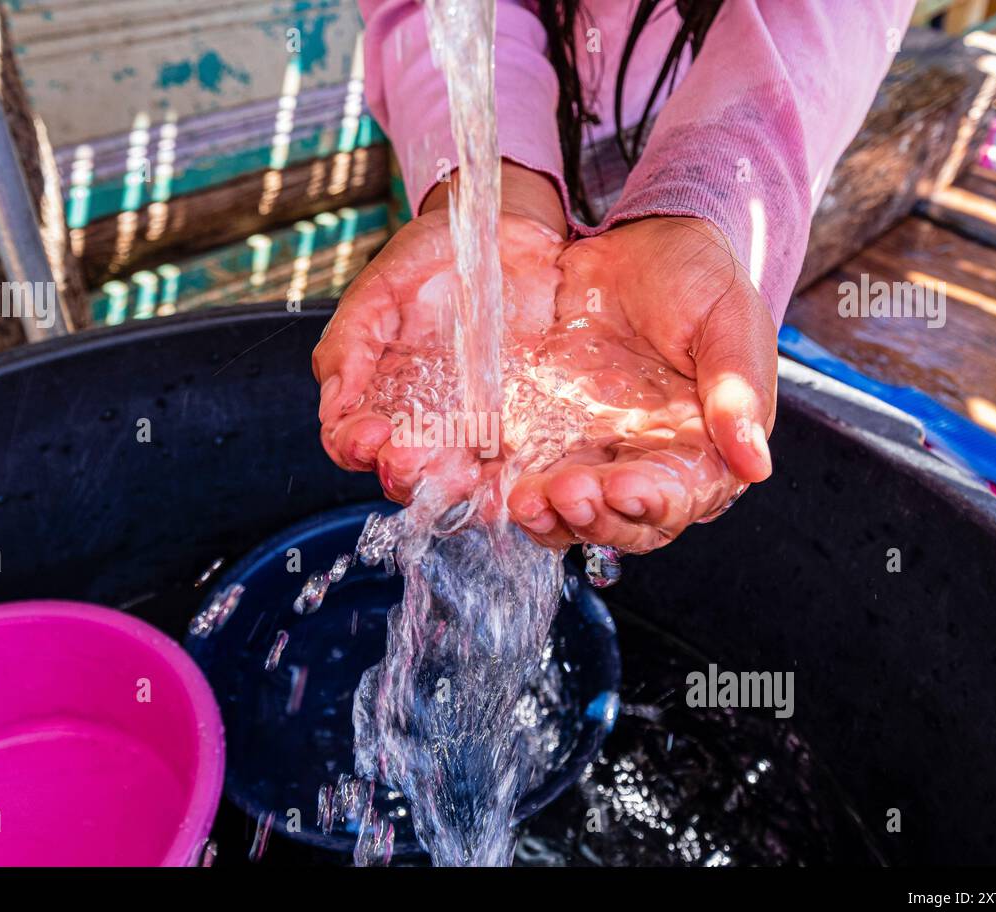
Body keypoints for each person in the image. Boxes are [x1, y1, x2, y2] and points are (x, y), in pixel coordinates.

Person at [313, 0, 916, 552]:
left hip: (737, 123)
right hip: (479, 136)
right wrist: (488, 195)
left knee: (698, 348)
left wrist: (702, 210)